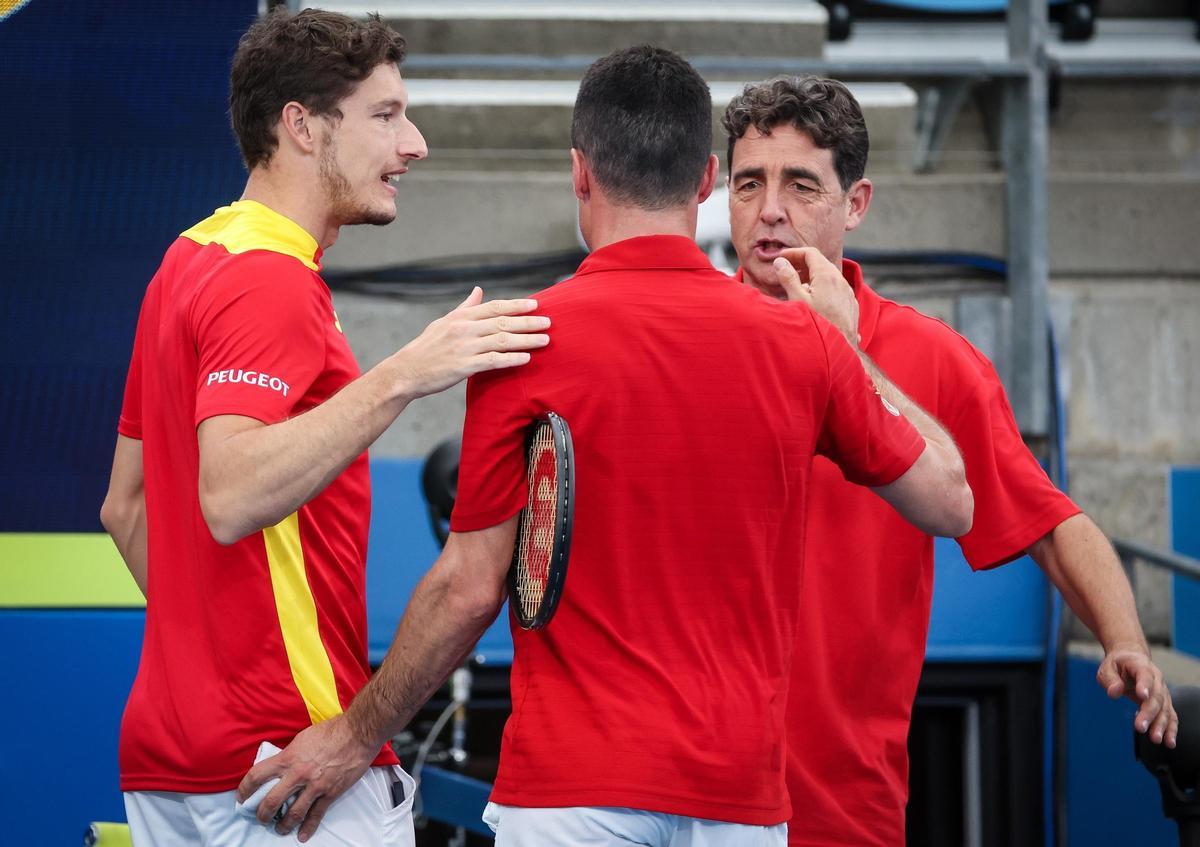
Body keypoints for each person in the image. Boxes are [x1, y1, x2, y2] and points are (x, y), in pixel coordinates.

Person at [238, 46, 973, 846]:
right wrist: (848, 344)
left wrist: (353, 735)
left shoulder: (523, 339)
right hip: (738, 795)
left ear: (580, 175)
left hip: (569, 792)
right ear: (706, 182)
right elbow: (950, 498)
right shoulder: (805, 345)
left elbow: (468, 588)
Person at [98, 9, 551, 846]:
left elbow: (123, 508)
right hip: (285, 768)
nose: (412, 144)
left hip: (176, 756)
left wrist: (211, 667)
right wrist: (409, 371)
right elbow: (230, 494)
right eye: (385, 116)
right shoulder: (272, 282)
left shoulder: (187, 260)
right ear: (301, 128)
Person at [721, 74, 1178, 846]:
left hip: (844, 811)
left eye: (801, 184)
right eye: (748, 182)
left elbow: (1055, 523)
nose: (770, 209)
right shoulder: (688, 339)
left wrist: (1123, 637)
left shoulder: (933, 359)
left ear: (856, 204)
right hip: (684, 804)